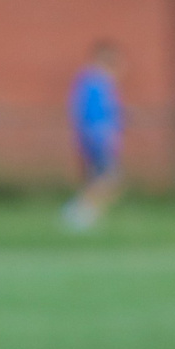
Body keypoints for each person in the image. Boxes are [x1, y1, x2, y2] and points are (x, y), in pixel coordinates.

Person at [61, 40, 125, 232]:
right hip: (98, 139)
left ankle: (86, 218)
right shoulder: (95, 82)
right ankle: (76, 216)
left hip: (100, 139)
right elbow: (90, 115)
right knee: (108, 180)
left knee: (102, 181)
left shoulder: (99, 82)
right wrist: (101, 138)